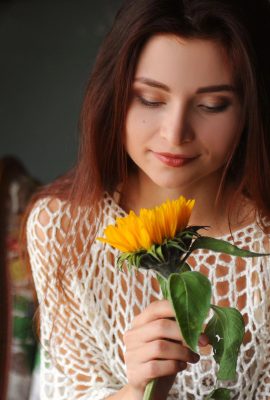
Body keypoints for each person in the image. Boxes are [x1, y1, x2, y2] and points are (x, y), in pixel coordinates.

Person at [24, 0, 270, 398]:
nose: (175, 134)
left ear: (249, 112)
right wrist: (140, 390)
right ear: (114, 96)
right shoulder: (62, 228)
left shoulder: (264, 247)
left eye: (211, 105)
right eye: (151, 100)